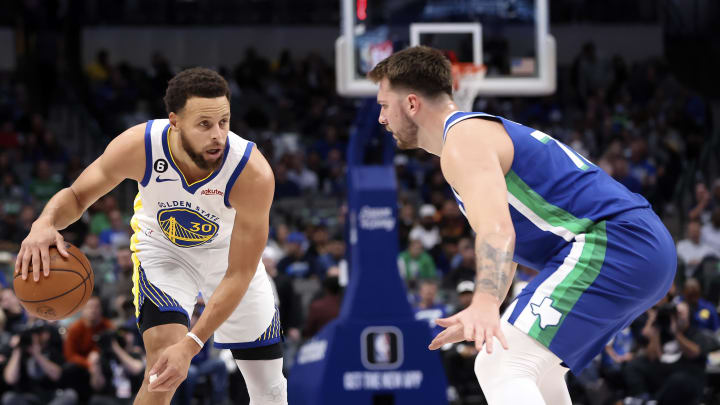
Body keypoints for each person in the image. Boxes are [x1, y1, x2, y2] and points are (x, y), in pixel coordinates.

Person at [368, 46, 676, 405]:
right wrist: (491, 305)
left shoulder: (464, 141)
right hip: (635, 246)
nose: (381, 118)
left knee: (500, 363)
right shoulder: (471, 139)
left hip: (614, 242)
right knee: (535, 370)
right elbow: (508, 238)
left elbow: (498, 231)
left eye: (383, 105)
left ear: (411, 104)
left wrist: (484, 301)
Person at [14, 67, 285, 405]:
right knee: (163, 368)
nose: (218, 135)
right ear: (175, 122)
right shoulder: (140, 146)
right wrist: (45, 222)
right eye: (204, 124)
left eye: (224, 122)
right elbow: (78, 195)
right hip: (164, 251)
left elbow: (241, 272)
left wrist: (193, 344)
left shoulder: (252, 173)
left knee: (269, 391)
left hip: (227, 258)